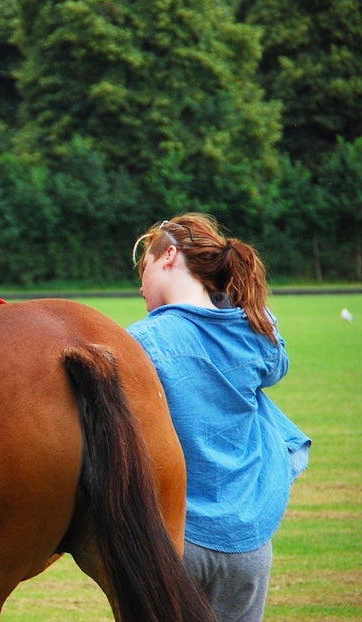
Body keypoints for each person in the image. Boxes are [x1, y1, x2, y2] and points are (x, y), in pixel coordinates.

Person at [126, 214, 311, 622]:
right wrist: (234, 303)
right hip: (250, 544)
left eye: (145, 269)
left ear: (169, 255)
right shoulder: (253, 333)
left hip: (176, 539)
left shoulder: (143, 341)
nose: (140, 287)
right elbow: (277, 362)